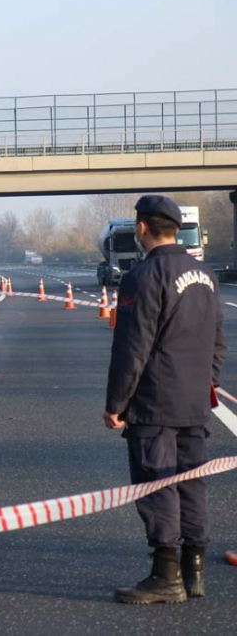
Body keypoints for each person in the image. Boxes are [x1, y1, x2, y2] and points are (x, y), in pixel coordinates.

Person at [103, 195, 226, 605]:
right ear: (175, 228)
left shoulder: (142, 276)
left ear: (142, 228)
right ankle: (195, 574)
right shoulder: (206, 275)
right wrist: (203, 384)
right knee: (192, 483)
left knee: (157, 484)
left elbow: (132, 347)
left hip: (154, 402)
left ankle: (165, 576)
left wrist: (116, 403)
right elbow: (218, 343)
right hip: (194, 402)